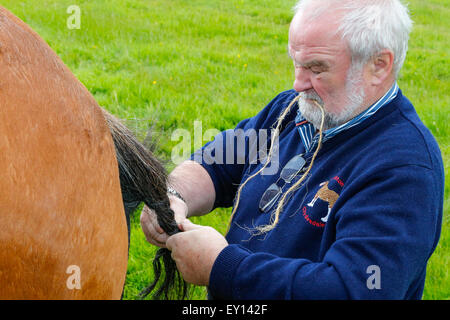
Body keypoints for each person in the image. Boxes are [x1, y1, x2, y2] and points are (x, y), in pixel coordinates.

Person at [140, 0, 444, 299]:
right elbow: (217, 164)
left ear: (378, 66)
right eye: (296, 63)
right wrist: (174, 198)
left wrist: (222, 267)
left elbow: (356, 289)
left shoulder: (405, 169)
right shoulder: (294, 110)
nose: (298, 83)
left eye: (317, 68)